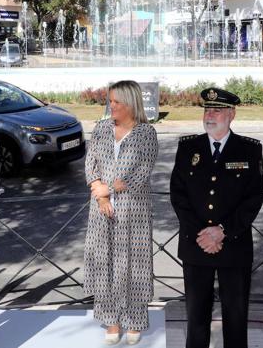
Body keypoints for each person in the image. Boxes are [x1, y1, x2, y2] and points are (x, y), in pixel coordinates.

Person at [170, 87, 263, 348]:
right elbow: (178, 196)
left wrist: (222, 231)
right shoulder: (188, 147)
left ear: (231, 114)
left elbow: (253, 199)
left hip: (233, 245)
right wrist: (202, 234)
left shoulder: (249, 150)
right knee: (196, 317)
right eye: (207, 109)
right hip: (196, 244)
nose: (210, 115)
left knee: (235, 317)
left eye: (217, 110)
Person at [82, 80, 158, 346]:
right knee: (104, 265)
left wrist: (107, 188)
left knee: (134, 267)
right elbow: (90, 162)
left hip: (133, 211)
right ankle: (111, 320)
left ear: (131, 103)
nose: (111, 106)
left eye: (117, 102)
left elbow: (141, 174)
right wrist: (99, 191)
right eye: (110, 101)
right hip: (101, 209)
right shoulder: (101, 128)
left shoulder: (146, 133)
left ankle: (134, 320)